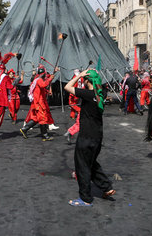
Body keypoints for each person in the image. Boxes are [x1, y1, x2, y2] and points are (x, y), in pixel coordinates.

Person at [64, 69, 115, 207]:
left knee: (82, 166)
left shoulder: (87, 94)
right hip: (97, 136)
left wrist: (79, 76)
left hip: (86, 136)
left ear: (87, 81)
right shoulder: (102, 93)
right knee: (91, 163)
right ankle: (106, 187)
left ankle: (85, 198)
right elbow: (99, 85)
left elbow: (67, 87)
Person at [20, 66, 57, 141]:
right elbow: (44, 85)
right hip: (39, 103)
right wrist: (50, 79)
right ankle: (45, 135)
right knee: (43, 118)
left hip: (36, 103)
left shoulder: (37, 80)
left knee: (36, 119)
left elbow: (42, 86)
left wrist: (52, 76)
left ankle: (24, 129)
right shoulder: (39, 80)